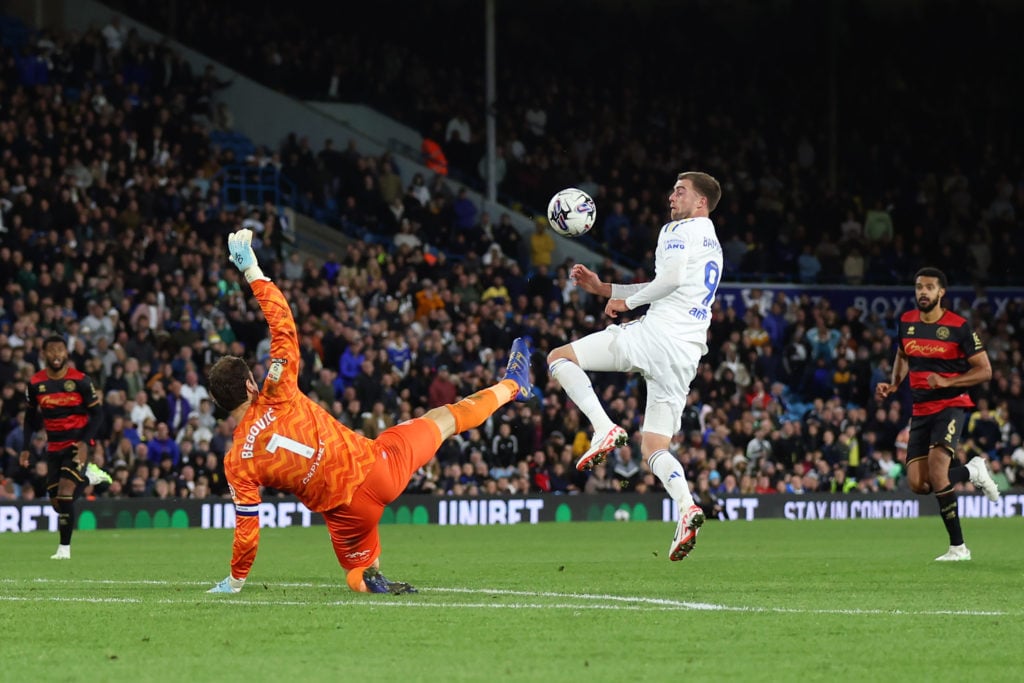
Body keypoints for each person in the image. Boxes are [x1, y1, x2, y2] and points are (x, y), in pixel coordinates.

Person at [206, 230, 533, 595]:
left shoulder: (237, 461)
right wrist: (252, 270)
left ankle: (370, 580)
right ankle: (513, 386)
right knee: (445, 419)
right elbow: (282, 324)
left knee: (358, 571)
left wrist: (235, 582)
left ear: (221, 405)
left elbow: (248, 530)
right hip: (377, 467)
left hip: (347, 514)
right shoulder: (276, 391)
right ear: (252, 386)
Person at [546, 171, 723, 562]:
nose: (672, 196)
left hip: (656, 337)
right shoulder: (712, 242)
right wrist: (606, 289)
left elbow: (670, 280)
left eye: (681, 191)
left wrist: (627, 304)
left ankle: (603, 426)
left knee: (559, 358)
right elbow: (667, 287)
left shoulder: (678, 229)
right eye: (673, 189)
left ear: (701, 203)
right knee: (654, 446)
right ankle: (687, 507)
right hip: (686, 352)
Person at [875, 267, 999, 562]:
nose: (923, 292)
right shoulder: (906, 322)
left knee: (938, 470)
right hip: (921, 409)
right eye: (919, 287)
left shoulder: (959, 326)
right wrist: (894, 384)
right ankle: (972, 471)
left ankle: (958, 548)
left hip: (951, 404)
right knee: (920, 484)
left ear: (941, 292)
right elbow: (903, 354)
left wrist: (948, 382)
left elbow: (985, 370)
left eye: (929, 287)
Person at [20, 335, 110, 559]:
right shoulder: (35, 384)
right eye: (52, 350)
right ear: (44, 354)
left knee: (66, 492)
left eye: (60, 350)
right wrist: (25, 447)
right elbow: (30, 418)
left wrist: (84, 441)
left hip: (77, 443)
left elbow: (98, 414)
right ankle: (89, 478)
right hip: (54, 447)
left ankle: (64, 550)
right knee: (58, 504)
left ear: (66, 353)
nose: (56, 355)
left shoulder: (80, 380)